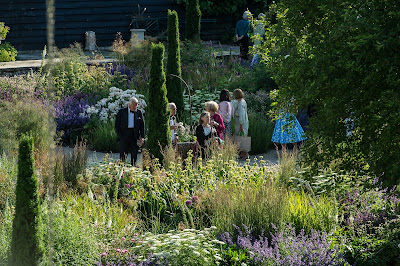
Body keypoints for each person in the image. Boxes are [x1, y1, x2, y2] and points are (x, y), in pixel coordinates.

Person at [115, 97, 145, 166]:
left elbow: (142, 126)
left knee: (134, 155)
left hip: (134, 135)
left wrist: (142, 137)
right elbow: (117, 125)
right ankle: (121, 171)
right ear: (129, 104)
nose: (135, 107)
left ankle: (133, 170)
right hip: (124, 135)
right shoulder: (122, 112)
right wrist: (120, 136)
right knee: (123, 155)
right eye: (134, 106)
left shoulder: (139, 112)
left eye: (136, 105)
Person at [232, 88, 249, 160]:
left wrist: (241, 124)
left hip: (240, 123)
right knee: (243, 137)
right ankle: (242, 154)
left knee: (240, 138)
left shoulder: (239, 103)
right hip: (245, 121)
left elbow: (241, 114)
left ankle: (245, 154)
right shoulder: (243, 101)